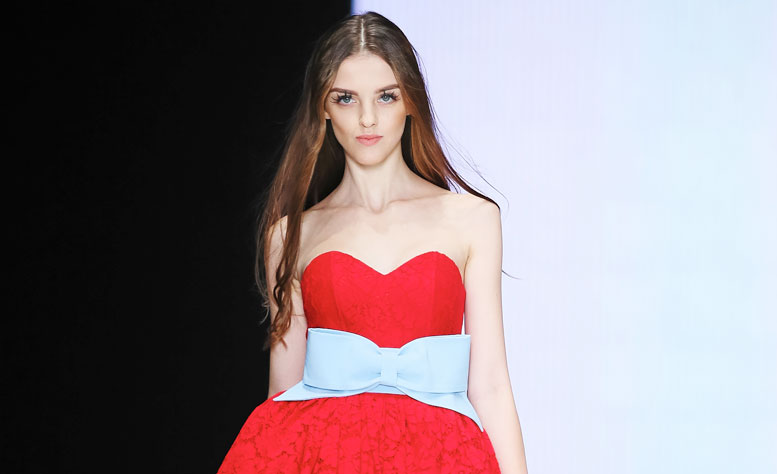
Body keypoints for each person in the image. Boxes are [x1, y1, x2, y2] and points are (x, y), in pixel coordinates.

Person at [217, 11, 528, 473]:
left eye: (386, 96)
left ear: (410, 101)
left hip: (441, 458)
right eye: (346, 98)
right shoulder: (290, 235)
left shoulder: (472, 220)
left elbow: (491, 386)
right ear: (323, 107)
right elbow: (283, 399)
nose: (367, 118)